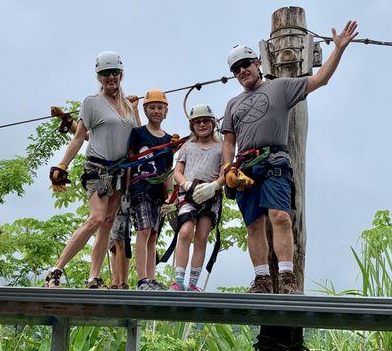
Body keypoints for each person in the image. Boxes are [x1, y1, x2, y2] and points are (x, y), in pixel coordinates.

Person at [221, 21, 358, 293]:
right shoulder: (232, 104)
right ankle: (261, 279)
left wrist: (339, 49)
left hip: (273, 160)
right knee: (254, 224)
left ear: (258, 63)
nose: (242, 71)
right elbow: (228, 141)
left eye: (246, 64)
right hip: (245, 166)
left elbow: (320, 80)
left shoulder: (280, 87)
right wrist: (227, 168)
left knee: (280, 216)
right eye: (236, 69)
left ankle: (286, 277)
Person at [45, 51, 140, 288]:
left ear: (121, 74)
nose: (111, 77)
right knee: (97, 218)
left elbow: (135, 137)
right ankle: (56, 269)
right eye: (105, 73)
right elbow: (79, 137)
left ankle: (93, 277)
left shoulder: (128, 106)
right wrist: (62, 164)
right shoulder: (91, 103)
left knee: (107, 222)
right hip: (97, 167)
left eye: (115, 73)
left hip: (120, 171)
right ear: (98, 77)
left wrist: (135, 108)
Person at [170, 104, 224, 292]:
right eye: (197, 122)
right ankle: (178, 279)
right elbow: (177, 171)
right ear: (192, 126)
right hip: (189, 193)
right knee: (185, 232)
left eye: (205, 121)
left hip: (210, 196)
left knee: (201, 237)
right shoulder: (187, 146)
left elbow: (226, 172)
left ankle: (193, 283)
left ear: (213, 123)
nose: (202, 125)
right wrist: (185, 184)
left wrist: (214, 186)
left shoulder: (221, 147)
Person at [128, 90, 174, 290]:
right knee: (144, 230)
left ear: (166, 111)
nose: (156, 111)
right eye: (152, 108)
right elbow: (130, 159)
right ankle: (142, 278)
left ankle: (151, 277)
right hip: (140, 186)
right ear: (146, 110)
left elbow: (169, 169)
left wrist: (171, 196)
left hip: (158, 190)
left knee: (153, 233)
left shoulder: (169, 139)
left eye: (160, 108)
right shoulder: (138, 134)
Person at [108, 195, 131, 289]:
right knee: (114, 246)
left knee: (120, 242)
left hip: (122, 200)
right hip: (113, 200)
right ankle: (117, 281)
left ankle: (122, 281)